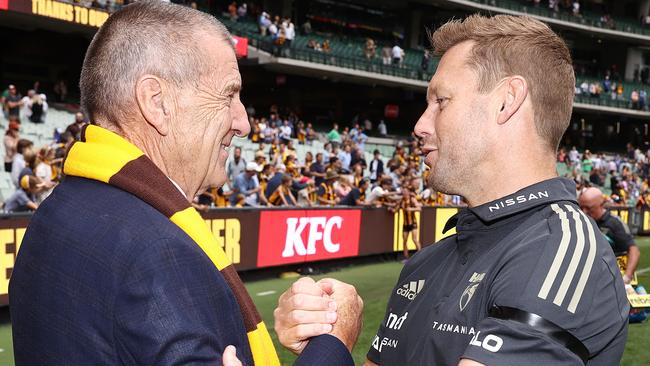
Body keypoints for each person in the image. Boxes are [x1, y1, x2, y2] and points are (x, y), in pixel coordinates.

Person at [10, 2, 360, 365]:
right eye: (228, 95)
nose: (244, 123)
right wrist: (333, 342)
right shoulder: (158, 253)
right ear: (156, 102)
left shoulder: (57, 210)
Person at [274, 14, 628, 366]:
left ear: (507, 101)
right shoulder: (426, 262)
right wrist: (330, 343)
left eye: (440, 101)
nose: (419, 125)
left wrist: (330, 354)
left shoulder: (560, 252)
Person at [579, 187, 641, 285]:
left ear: (601, 205)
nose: (584, 212)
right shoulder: (580, 222)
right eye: (581, 207)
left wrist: (627, 277)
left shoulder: (614, 223)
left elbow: (633, 250)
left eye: (588, 208)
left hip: (614, 277)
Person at [399, 185, 421, 259]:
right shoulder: (401, 200)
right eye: (403, 192)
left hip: (413, 223)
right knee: (404, 240)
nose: (404, 193)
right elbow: (396, 208)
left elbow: (419, 209)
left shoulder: (412, 199)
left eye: (405, 191)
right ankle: (406, 257)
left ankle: (421, 256)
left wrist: (411, 209)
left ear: (408, 192)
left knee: (414, 239)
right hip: (405, 224)